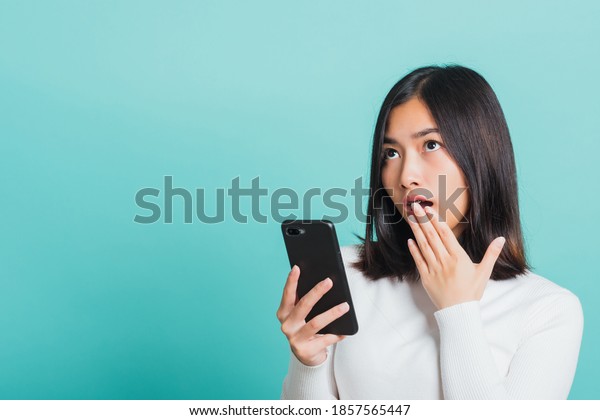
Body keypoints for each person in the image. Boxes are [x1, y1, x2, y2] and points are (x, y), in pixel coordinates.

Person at [276, 64, 584, 400]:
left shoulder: (549, 310)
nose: (406, 175)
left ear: (481, 154)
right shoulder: (348, 275)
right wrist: (308, 362)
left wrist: (458, 310)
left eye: (431, 145)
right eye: (390, 153)